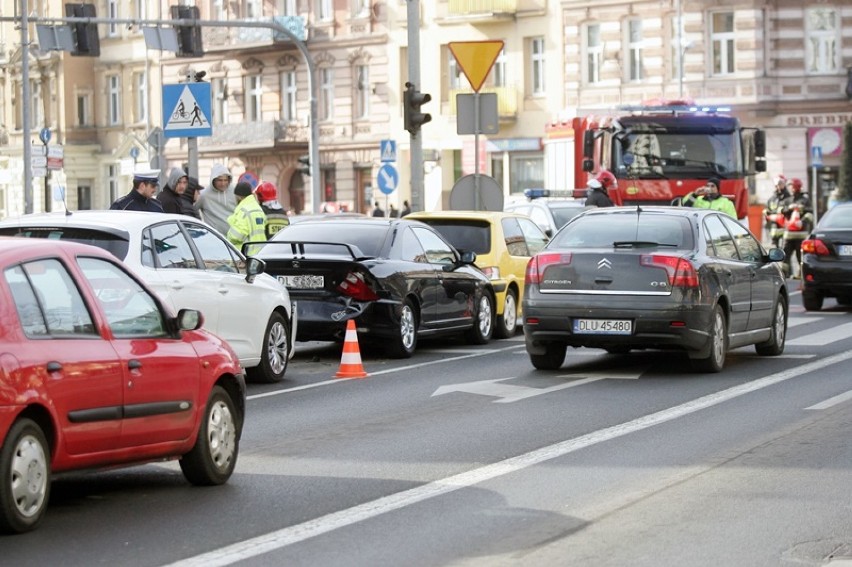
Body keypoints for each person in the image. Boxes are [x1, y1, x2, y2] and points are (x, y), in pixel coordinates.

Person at [781, 177, 813, 279]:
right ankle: (784, 274)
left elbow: (810, 214)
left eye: (792, 186)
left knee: (801, 256)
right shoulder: (787, 200)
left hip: (801, 235)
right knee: (785, 256)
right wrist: (788, 208)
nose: (791, 189)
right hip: (788, 234)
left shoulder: (805, 200)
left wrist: (802, 222)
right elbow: (781, 211)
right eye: (790, 186)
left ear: (797, 187)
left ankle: (802, 275)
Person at [226, 181, 267, 254]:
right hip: (260, 253)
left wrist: (228, 236)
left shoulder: (244, 211)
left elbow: (236, 236)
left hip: (246, 254)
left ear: (239, 196)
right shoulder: (258, 208)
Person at [195, 164, 236, 235]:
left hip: (234, 237)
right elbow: (192, 210)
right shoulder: (204, 195)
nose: (223, 183)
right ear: (213, 180)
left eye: (225, 180)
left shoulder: (235, 191)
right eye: (220, 180)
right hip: (214, 238)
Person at [763, 175, 791, 247]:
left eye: (780, 184)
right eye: (777, 185)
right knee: (775, 250)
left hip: (786, 228)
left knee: (785, 248)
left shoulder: (789, 198)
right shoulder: (772, 199)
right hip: (774, 230)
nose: (778, 186)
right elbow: (768, 209)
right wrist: (766, 212)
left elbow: (790, 211)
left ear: (784, 184)